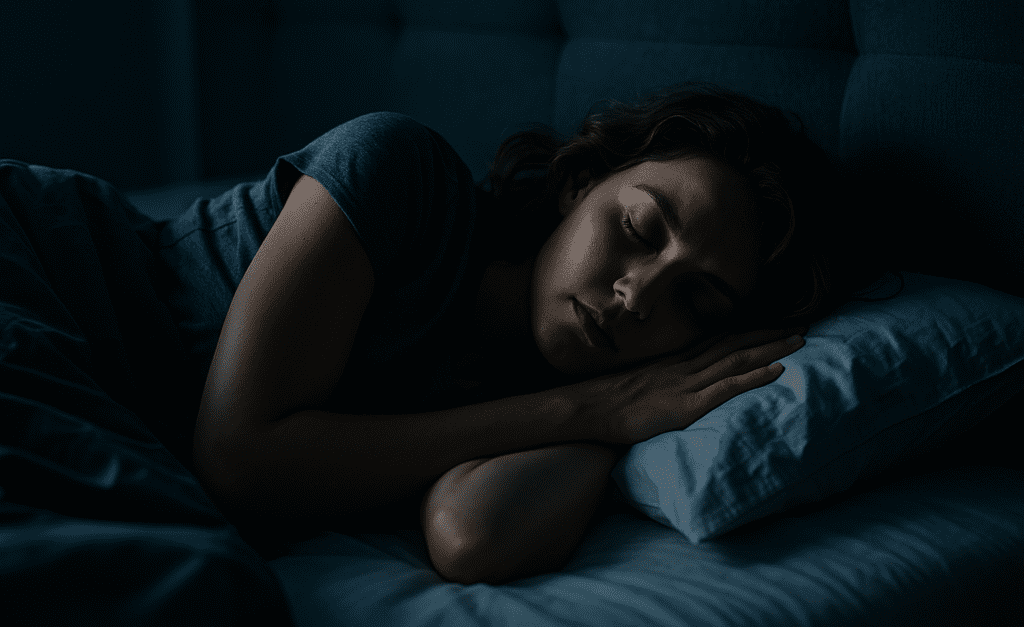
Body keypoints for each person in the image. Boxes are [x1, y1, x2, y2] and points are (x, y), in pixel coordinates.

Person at [178, 82, 888, 583]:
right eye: (638, 228)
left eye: (695, 301)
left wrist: (610, 416)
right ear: (581, 182)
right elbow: (238, 456)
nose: (636, 295)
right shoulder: (399, 170)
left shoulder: (560, 394)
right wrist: (592, 409)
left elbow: (472, 535)